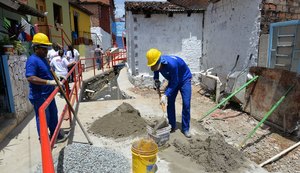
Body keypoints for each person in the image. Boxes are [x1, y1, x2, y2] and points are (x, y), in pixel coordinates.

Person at [146, 48, 192, 138]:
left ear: (159, 61)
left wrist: (165, 94)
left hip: (184, 79)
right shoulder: (156, 62)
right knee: (170, 103)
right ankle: (172, 125)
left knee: (186, 104)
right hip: (173, 79)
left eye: (155, 64)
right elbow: (156, 70)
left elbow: (175, 82)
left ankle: (185, 128)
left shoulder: (172, 65)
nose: (154, 66)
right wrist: (156, 79)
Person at [25, 33, 63, 141]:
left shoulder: (43, 59)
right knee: (43, 118)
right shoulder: (32, 60)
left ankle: (55, 134)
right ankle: (44, 139)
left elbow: (49, 71)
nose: (46, 51)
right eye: (43, 49)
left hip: (49, 94)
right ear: (36, 48)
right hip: (40, 96)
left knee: (53, 115)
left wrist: (57, 78)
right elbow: (31, 77)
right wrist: (48, 82)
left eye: (46, 49)